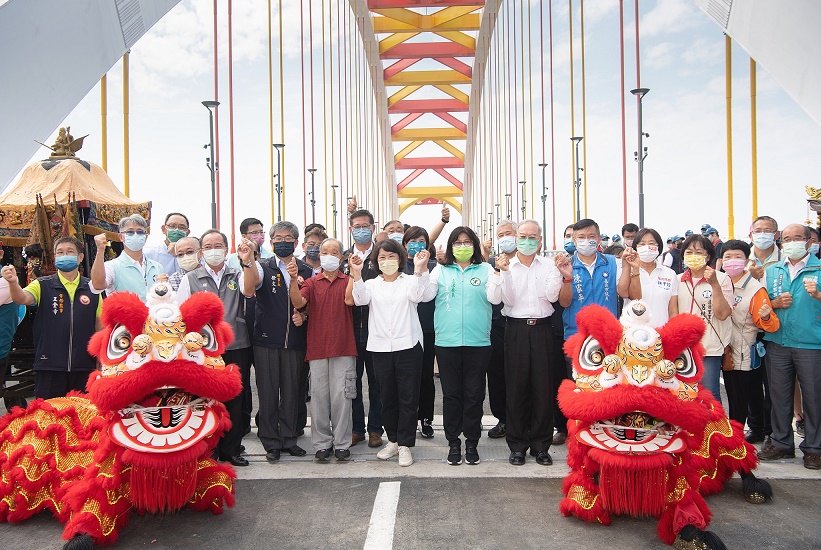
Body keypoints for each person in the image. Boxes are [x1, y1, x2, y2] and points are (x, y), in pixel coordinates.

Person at [351, 240, 433, 467]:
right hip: (380, 348)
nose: (387, 262)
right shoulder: (371, 284)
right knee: (386, 397)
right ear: (376, 262)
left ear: (400, 258)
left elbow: (417, 296)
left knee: (408, 397)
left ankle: (406, 444)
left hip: (408, 345)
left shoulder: (409, 280)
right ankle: (394, 440)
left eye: (392, 257)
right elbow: (360, 299)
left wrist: (418, 270)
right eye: (382, 258)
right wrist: (356, 275)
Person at [176, 230, 254, 467]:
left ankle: (231, 449)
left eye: (218, 245)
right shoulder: (190, 278)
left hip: (237, 344)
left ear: (226, 247)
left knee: (235, 398)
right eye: (208, 246)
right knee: (207, 399)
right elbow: (181, 314)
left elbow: (249, 290)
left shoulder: (237, 273)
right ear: (201, 252)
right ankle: (209, 449)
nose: (213, 250)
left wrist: (248, 260)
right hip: (204, 349)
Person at [427, 227, 501, 466]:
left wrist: (499, 272)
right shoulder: (440, 270)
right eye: (457, 243)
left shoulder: (486, 269)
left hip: (478, 342)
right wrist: (420, 270)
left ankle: (471, 441)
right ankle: (453, 442)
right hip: (447, 342)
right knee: (451, 395)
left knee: (474, 395)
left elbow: (496, 299)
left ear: (474, 244)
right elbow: (424, 295)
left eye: (467, 242)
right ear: (450, 246)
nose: (462, 246)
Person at [243, 221, 314, 463]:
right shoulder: (263, 267)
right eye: (278, 238)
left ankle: (289, 438)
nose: (283, 242)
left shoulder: (306, 270)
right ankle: (271, 441)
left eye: (288, 238)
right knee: (268, 392)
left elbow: (309, 303)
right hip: (266, 340)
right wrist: (249, 260)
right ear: (271, 243)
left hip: (295, 341)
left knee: (293, 391)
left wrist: (303, 315)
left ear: (295, 243)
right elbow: (250, 287)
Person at [493, 220, 562, 466]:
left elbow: (551, 296)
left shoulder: (550, 265)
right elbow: (505, 299)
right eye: (522, 236)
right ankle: (518, 445)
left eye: (533, 236)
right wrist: (504, 273)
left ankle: (541, 446)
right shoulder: (506, 266)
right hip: (516, 330)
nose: (527, 241)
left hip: (543, 329)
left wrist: (562, 273)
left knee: (543, 389)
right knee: (516, 389)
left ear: (540, 240)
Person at [2, 237, 102, 399]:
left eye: (70, 252)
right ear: (55, 257)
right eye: (60, 252)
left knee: (84, 417)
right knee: (50, 417)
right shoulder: (42, 285)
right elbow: (22, 298)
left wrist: (100, 357)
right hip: (50, 365)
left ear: (80, 257)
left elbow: (100, 325)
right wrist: (13, 283)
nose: (65, 256)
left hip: (84, 366)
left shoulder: (91, 289)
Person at [287, 238, 358, 461]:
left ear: (341, 257)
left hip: (344, 347)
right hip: (317, 348)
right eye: (325, 251)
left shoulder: (348, 280)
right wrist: (292, 280)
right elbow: (298, 303)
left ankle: (342, 443)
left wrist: (356, 274)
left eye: (334, 251)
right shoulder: (311, 282)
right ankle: (321, 444)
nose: (328, 255)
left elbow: (350, 301)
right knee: (318, 399)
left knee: (342, 399)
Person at [758, 224, 821, 470]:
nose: (792, 242)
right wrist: (774, 303)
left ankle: (814, 448)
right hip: (778, 341)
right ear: (780, 242)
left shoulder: (818, 269)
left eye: (798, 238)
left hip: (811, 343)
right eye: (786, 238)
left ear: (808, 241)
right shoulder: (773, 271)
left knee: (814, 398)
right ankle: (782, 442)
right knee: (779, 397)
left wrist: (818, 296)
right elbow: (762, 303)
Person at [719, 239, 780, 428]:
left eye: (738, 257)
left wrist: (766, 316)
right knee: (735, 393)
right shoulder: (718, 282)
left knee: (740, 397)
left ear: (746, 261)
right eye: (728, 257)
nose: (732, 261)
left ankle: (738, 437)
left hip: (742, 350)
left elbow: (768, 324)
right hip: (720, 347)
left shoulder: (755, 288)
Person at [343, 209, 385, 449]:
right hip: (350, 330)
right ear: (351, 229)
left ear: (372, 227)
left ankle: (375, 430)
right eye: (356, 225)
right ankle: (357, 428)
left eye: (365, 225)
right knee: (353, 382)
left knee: (377, 383)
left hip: (377, 329)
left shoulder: (382, 257)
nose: (361, 229)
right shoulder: (343, 258)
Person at [676, 234, 733, 402]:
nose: (693, 256)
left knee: (710, 393)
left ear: (708, 256)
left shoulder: (722, 279)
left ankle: (716, 427)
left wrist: (714, 283)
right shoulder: (678, 280)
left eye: (699, 252)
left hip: (709, 347)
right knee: (684, 392)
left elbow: (722, 314)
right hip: (683, 347)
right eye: (689, 252)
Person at [745, 215, 781, 444]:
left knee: (774, 384)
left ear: (776, 235)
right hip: (748, 330)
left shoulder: (786, 260)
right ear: (750, 234)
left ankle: (772, 430)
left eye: (768, 230)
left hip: (775, 331)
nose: (763, 234)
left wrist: (772, 305)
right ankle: (756, 426)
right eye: (758, 230)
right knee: (750, 382)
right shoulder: (740, 258)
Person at [402, 226, 438, 439]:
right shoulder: (397, 265)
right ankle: (409, 418)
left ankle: (426, 419)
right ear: (405, 243)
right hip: (404, 328)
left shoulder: (434, 266)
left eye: (422, 240)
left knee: (426, 377)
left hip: (428, 328)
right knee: (407, 377)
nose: (417, 244)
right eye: (412, 240)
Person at [556, 219, 620, 339]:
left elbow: (624, 292)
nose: (586, 240)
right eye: (581, 237)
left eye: (591, 236)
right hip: (576, 335)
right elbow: (564, 303)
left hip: (608, 334)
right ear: (574, 240)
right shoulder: (565, 265)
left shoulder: (613, 263)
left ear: (598, 239)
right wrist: (568, 278)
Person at [486, 220, 518, 439]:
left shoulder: (531, 263)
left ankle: (522, 420)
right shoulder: (491, 264)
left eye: (509, 233)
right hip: (497, 325)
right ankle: (503, 419)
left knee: (521, 375)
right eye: (500, 235)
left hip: (521, 325)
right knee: (496, 375)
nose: (505, 238)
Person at [90, 214, 166, 301]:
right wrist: (100, 251)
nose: (135, 235)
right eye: (130, 232)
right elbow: (97, 285)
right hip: (124, 314)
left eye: (140, 232)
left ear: (146, 237)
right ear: (121, 237)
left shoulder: (157, 267)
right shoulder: (112, 266)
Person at [618, 227, 679, 327]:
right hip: (633, 334)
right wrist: (634, 269)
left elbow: (673, 311)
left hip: (661, 333)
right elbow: (626, 294)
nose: (647, 247)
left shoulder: (670, 274)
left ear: (658, 247)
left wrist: (672, 333)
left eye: (651, 243)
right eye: (642, 244)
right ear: (635, 248)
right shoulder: (628, 270)